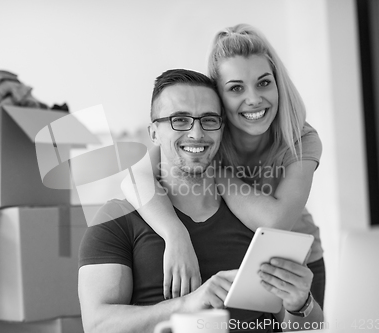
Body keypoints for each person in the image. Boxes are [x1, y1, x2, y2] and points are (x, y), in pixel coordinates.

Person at [78, 69, 324, 333]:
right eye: (179, 120)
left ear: (222, 130)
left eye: (208, 120)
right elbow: (97, 325)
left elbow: (304, 328)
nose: (196, 133)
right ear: (153, 133)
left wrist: (301, 305)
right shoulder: (116, 220)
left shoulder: (255, 218)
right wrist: (185, 306)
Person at [121, 24, 326, 308]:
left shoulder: (300, 137)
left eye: (264, 82)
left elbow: (275, 223)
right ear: (219, 96)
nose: (253, 99)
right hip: (234, 255)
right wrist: (175, 234)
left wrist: (213, 169)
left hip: (294, 266)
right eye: (236, 88)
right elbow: (133, 177)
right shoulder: (208, 128)